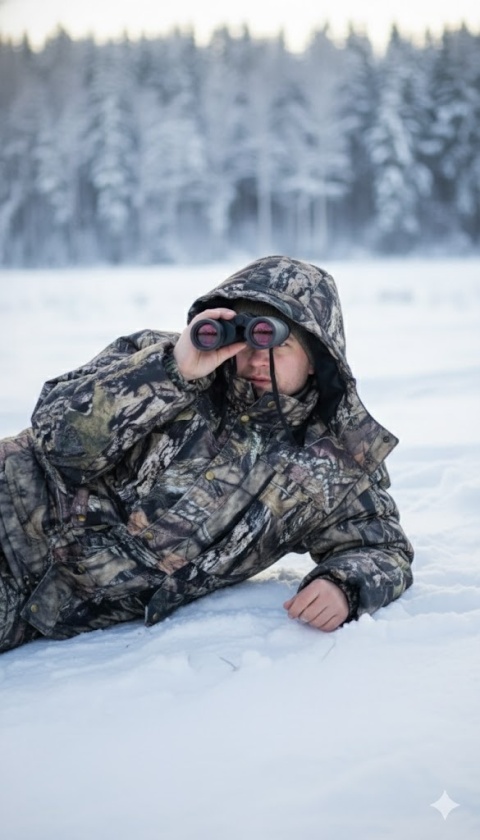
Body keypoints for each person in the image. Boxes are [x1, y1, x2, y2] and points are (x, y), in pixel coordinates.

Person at [0, 255, 414, 653]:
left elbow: (382, 547)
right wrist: (171, 372)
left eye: (275, 342)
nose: (255, 358)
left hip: (31, 603)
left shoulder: (329, 463)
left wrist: (344, 585)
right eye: (244, 340)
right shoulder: (159, 358)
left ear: (315, 360)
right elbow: (56, 439)